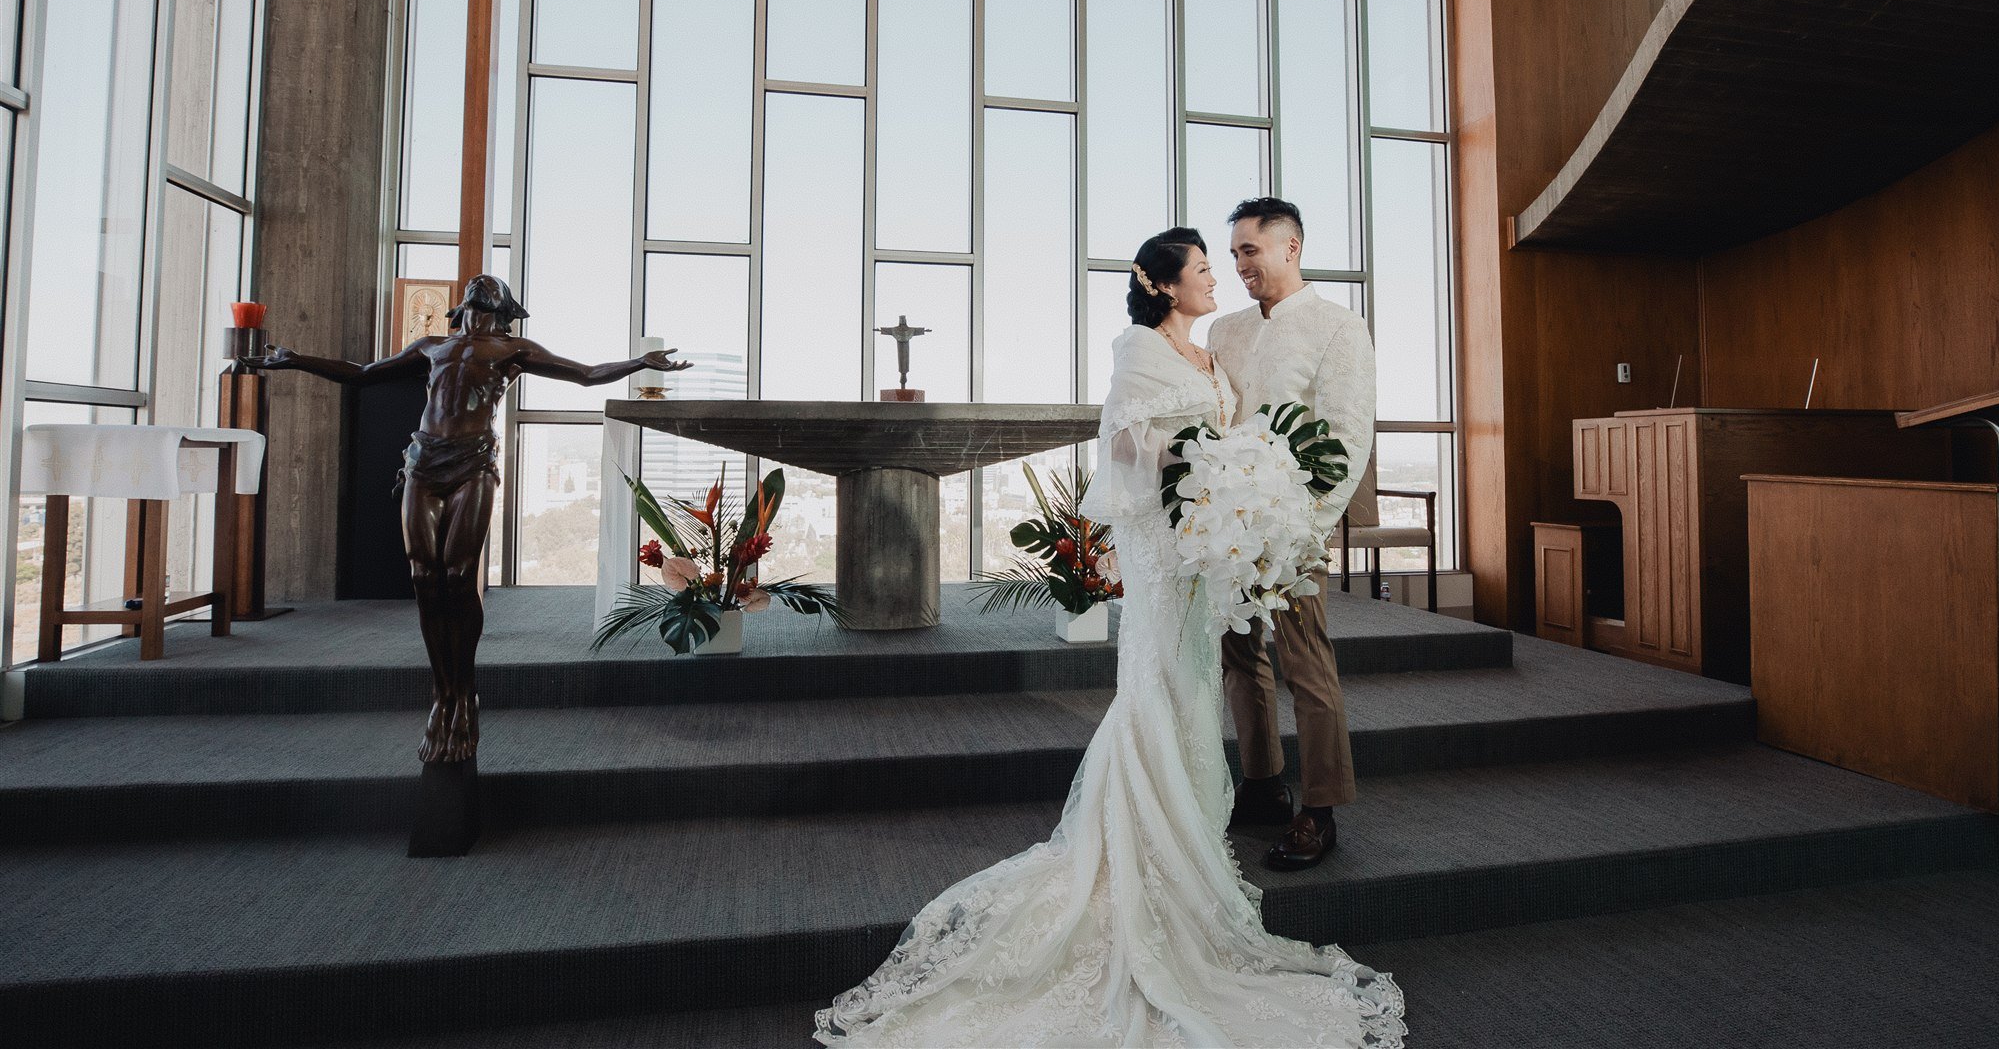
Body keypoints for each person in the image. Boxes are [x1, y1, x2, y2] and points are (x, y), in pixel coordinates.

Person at [814, 230, 1404, 1048]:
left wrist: (1249, 494)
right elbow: (1128, 449)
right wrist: (1209, 471)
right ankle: (1163, 833)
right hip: (1172, 547)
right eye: (1207, 266)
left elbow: (1294, 431)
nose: (1221, 275)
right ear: (1164, 285)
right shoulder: (1146, 349)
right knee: (1168, 682)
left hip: (1226, 540)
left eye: (1231, 259)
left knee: (1210, 680)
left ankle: (1216, 821)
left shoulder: (1238, 345)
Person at [257, 274, 680, 764]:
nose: (482, 285)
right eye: (477, 286)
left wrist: (638, 362)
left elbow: (585, 373)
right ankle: (444, 694)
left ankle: (465, 692)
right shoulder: (431, 346)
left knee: (458, 575)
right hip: (424, 461)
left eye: (491, 285)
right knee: (424, 577)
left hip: (473, 463)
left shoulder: (513, 350)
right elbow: (363, 373)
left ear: (506, 307)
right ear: (462, 305)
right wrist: (297, 359)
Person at [1208, 198, 1377, 872]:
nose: (1239, 265)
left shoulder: (1339, 328)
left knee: (1305, 662)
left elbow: (1347, 438)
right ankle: (1262, 783)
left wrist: (1304, 530)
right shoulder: (1224, 330)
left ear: (1291, 248)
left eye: (1249, 250)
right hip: (1228, 526)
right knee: (1238, 655)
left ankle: (1321, 808)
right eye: (1233, 254)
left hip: (1295, 528)